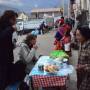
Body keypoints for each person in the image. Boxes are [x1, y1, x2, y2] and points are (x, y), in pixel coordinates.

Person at [0, 10, 26, 89]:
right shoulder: (3, 26)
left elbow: (6, 43)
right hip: (2, 60)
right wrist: (11, 29)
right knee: (3, 80)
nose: (15, 22)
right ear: (10, 19)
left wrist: (14, 45)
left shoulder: (7, 27)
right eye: (14, 19)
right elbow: (1, 37)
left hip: (8, 58)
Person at [76, 25, 90, 90]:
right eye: (76, 35)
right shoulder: (81, 42)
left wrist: (83, 67)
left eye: (78, 35)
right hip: (80, 75)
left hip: (87, 77)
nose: (77, 37)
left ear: (85, 35)